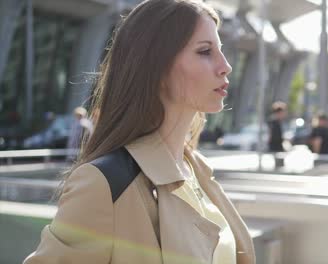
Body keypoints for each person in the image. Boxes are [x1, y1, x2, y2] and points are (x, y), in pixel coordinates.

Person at [24, 1, 254, 264]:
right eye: (205, 51)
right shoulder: (105, 184)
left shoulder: (197, 170)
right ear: (157, 68)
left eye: (221, 51)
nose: (226, 66)